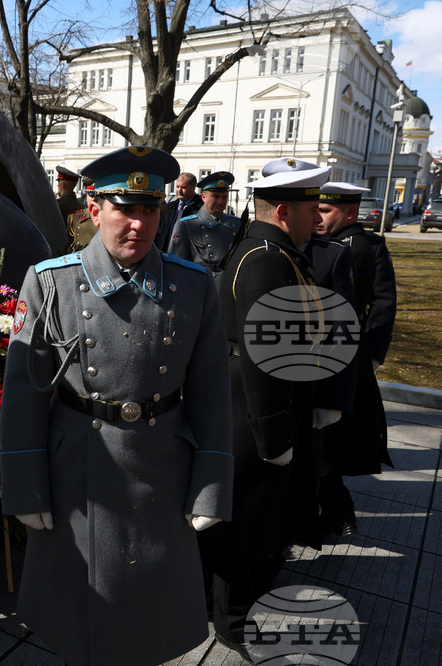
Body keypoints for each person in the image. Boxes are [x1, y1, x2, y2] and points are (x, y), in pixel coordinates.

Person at [0, 146, 234, 666]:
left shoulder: (193, 286)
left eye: (149, 210)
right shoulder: (50, 281)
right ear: (93, 208)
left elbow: (213, 394)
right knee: (77, 616)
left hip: (162, 470)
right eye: (125, 209)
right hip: (76, 474)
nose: (139, 224)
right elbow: (24, 394)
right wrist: (23, 482)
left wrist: (212, 485)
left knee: (151, 619)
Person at [198, 157, 331, 660]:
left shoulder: (274, 251)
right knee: (245, 521)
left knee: (257, 517)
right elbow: (264, 359)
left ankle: (233, 599)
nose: (318, 217)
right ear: (281, 211)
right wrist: (275, 438)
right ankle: (230, 619)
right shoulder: (266, 260)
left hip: (263, 404)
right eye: (310, 207)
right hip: (254, 410)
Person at [317, 181, 396, 536]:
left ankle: (336, 510)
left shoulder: (353, 246)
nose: (318, 216)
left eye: (326, 210)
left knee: (332, 436)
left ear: (350, 212)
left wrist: (372, 353)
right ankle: (336, 510)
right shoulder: (368, 245)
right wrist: (373, 352)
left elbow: (383, 302)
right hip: (349, 353)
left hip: (339, 355)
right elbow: (383, 303)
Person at [167, 171, 242, 275]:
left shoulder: (236, 224)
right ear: (203, 197)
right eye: (215, 196)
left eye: (224, 197)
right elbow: (176, 265)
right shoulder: (186, 225)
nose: (220, 202)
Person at [156, 171, 202, 250]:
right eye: (177, 187)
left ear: (193, 187)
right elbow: (160, 232)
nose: (179, 190)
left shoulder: (201, 209)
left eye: (183, 187)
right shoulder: (169, 207)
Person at [54, 165, 83, 240]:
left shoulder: (58, 205)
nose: (57, 185)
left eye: (59, 181)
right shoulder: (80, 204)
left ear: (63, 184)